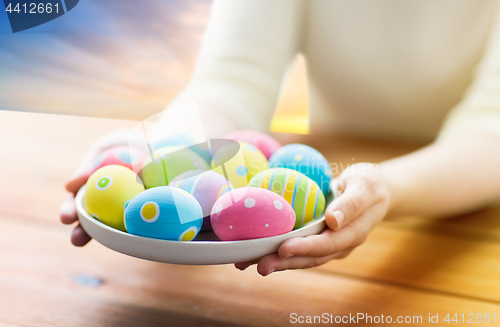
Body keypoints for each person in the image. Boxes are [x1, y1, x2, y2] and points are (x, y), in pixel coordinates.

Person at [60, 0, 500, 276]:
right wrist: (160, 148)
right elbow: (236, 76)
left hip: (470, 216)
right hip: (338, 161)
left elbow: (491, 129)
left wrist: (384, 187)